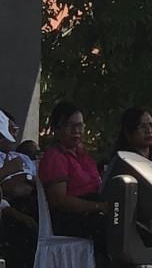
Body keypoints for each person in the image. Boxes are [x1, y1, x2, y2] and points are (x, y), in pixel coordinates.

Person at [38, 101, 109, 268]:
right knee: (111, 228)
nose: (76, 131)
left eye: (80, 126)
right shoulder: (55, 156)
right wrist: (98, 207)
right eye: (70, 126)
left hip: (91, 210)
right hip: (69, 217)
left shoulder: (83, 154)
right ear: (56, 128)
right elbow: (59, 200)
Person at [0, 113, 38, 268]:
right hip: (5, 207)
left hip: (33, 202)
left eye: (15, 130)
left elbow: (36, 183)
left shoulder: (23, 158)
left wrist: (25, 177)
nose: (12, 134)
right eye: (9, 129)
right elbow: (8, 188)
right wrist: (11, 175)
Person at [112, 106, 152, 177]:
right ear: (128, 132)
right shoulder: (122, 160)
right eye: (142, 126)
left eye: (151, 125)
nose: (149, 130)